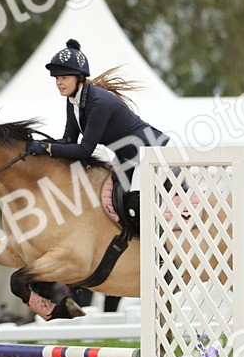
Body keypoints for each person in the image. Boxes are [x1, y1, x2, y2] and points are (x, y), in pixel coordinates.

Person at [26, 38, 169, 221]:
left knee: (135, 206)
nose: (59, 83)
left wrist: (48, 148)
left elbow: (85, 149)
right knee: (112, 202)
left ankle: (157, 248)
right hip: (128, 159)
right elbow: (69, 140)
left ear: (79, 78)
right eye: (56, 78)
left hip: (152, 154)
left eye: (64, 77)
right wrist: (42, 145)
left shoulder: (98, 103)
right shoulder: (73, 101)